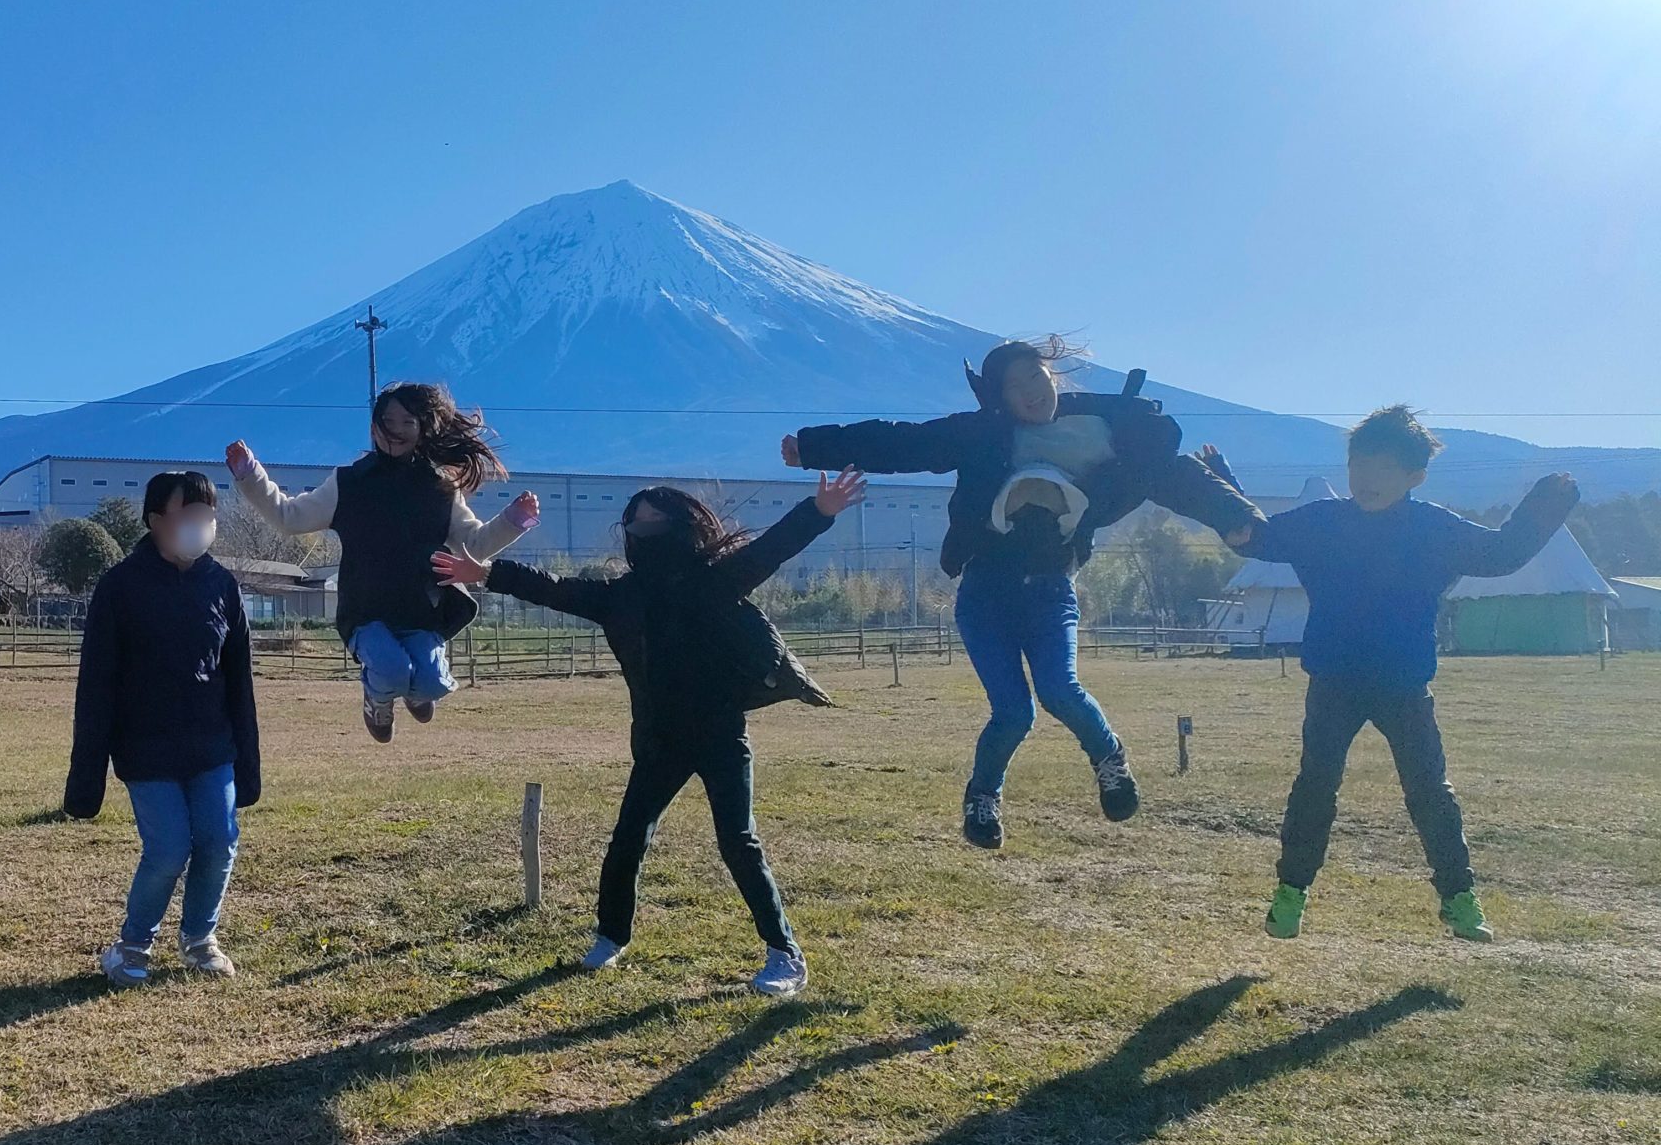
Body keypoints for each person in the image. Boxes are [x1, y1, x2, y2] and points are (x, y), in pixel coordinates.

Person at [784, 339, 1261, 850]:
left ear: (1052, 375)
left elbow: (1177, 476)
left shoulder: (1115, 428)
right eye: (1014, 386)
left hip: (1051, 588)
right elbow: (905, 443)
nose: (1029, 391)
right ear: (1000, 399)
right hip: (986, 590)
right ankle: (983, 798)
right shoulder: (984, 434)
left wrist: (1237, 518)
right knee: (1013, 711)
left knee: (1060, 690)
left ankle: (1110, 760)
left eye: (1034, 376)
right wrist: (814, 446)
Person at [434, 468, 866, 998]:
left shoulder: (716, 578)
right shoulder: (622, 597)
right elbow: (554, 589)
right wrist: (486, 573)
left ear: (680, 525)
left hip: (720, 734)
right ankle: (611, 936)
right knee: (627, 840)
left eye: (654, 518)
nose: (642, 527)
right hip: (659, 739)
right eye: (636, 520)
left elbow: (772, 548)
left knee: (738, 842)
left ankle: (785, 954)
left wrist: (819, 511)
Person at [1221, 408, 1579, 944]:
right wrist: (1220, 483)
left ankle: (1459, 900)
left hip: (1405, 686)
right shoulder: (1321, 522)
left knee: (1430, 792)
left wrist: (1544, 508)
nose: (1368, 479)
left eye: (1384, 468)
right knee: (1315, 786)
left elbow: (1502, 554)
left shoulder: (1435, 528)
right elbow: (1254, 539)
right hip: (1334, 683)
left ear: (1416, 477)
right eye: (1359, 464)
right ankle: (1289, 895)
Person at [225, 382, 538, 741]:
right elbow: (289, 517)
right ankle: (378, 702)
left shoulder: (440, 488)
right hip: (366, 612)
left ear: (423, 428)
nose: (397, 429)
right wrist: (250, 474)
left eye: (408, 421)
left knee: (435, 683)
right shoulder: (349, 483)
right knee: (390, 671)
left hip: (422, 610)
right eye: (388, 420)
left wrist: (514, 520)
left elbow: (474, 544)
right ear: (373, 429)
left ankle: (416, 691)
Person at [63, 471, 262, 987]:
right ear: (155, 521)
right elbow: (97, 685)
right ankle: (131, 946)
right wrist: (86, 777)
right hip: (145, 749)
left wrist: (248, 763)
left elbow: (239, 680)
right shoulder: (119, 587)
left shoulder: (222, 584)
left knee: (219, 841)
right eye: (188, 515)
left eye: (207, 515)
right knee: (170, 848)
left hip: (212, 746)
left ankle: (200, 939)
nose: (200, 525)